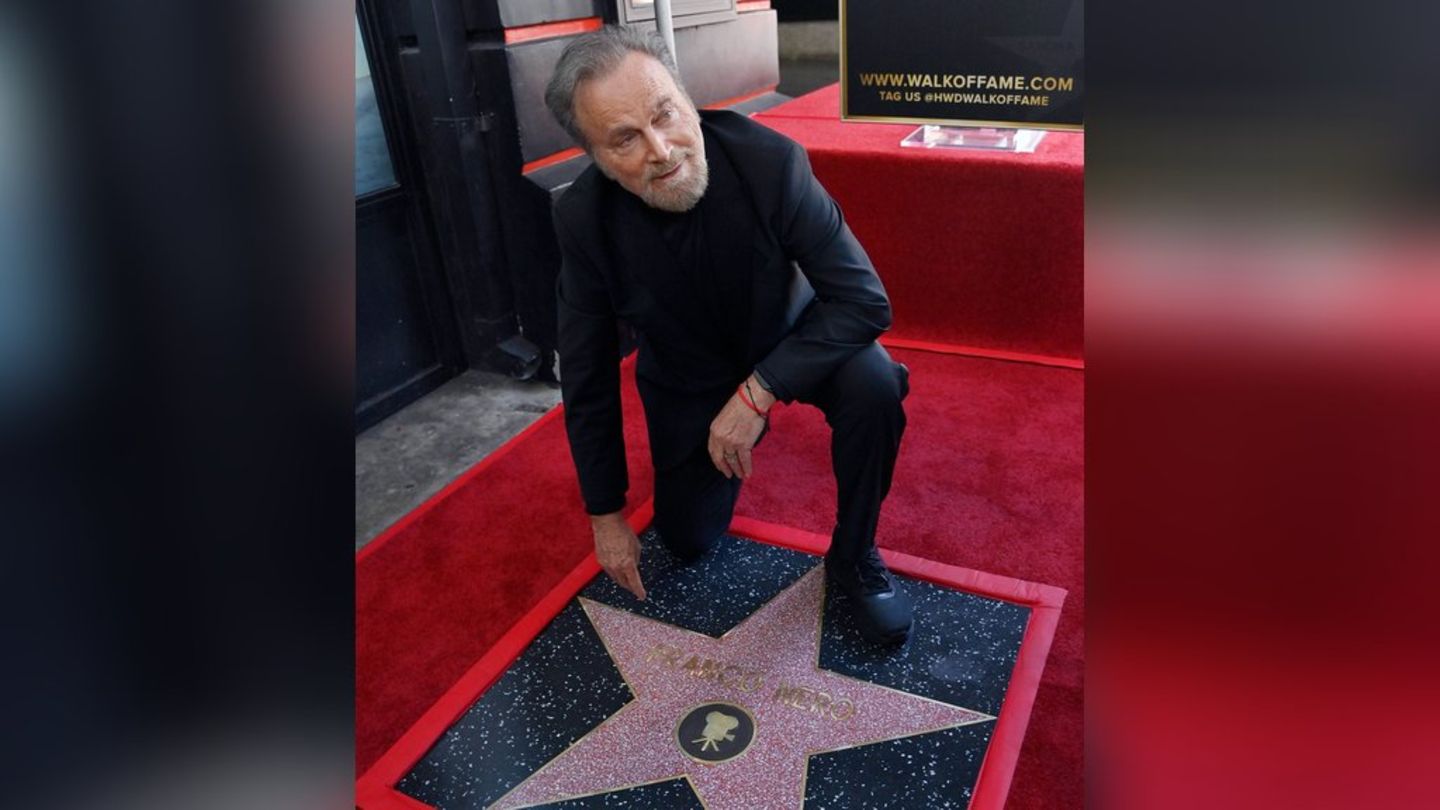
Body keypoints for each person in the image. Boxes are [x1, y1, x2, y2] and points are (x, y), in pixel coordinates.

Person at [545, 26, 914, 644]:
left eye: (666, 114)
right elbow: (585, 373)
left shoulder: (770, 161)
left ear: (687, 99)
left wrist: (758, 392)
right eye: (626, 139)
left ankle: (854, 556)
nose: (662, 150)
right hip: (686, 376)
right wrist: (606, 514)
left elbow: (863, 301)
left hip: (790, 340)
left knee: (875, 383)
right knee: (687, 543)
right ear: (597, 159)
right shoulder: (583, 219)